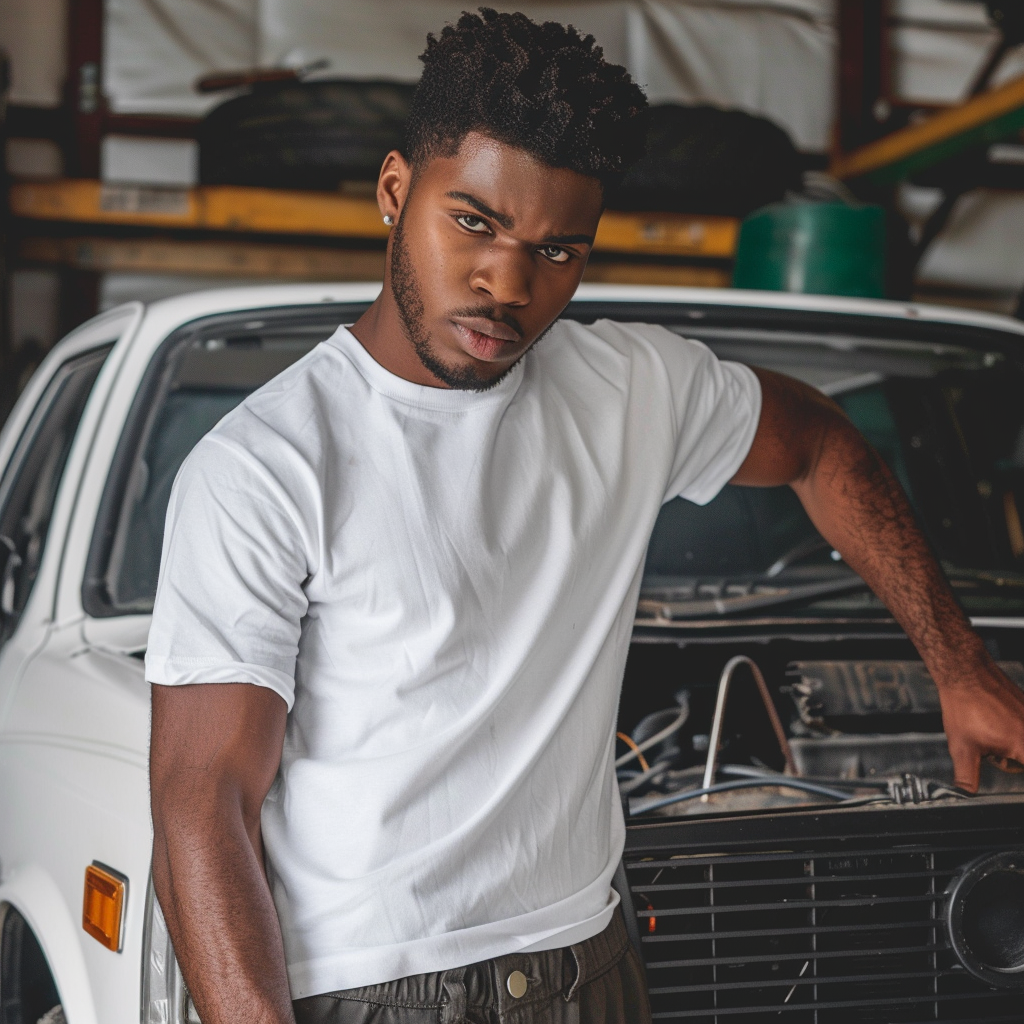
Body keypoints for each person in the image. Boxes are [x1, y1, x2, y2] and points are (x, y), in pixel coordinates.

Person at [146, 9, 1024, 1024]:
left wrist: (959, 665)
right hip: (374, 984)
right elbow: (201, 804)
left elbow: (823, 442)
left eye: (557, 249)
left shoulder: (629, 388)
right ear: (395, 192)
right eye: (471, 221)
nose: (507, 284)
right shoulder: (267, 465)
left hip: (588, 966)